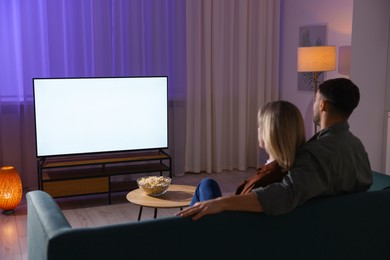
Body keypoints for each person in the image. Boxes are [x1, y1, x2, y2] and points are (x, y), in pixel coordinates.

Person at [177, 78, 372, 220]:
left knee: (206, 187)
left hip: (263, 232)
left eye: (314, 100)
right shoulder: (358, 148)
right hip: (341, 227)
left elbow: (282, 195)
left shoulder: (314, 153)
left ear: (322, 105)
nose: (313, 105)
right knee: (207, 185)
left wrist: (222, 203)